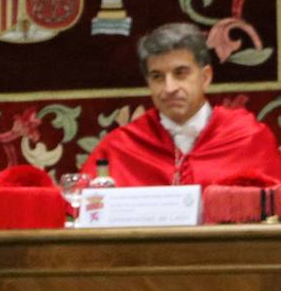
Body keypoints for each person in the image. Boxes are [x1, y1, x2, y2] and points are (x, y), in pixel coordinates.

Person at [82, 21, 281, 185]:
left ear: (205, 77)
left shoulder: (248, 138)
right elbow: (78, 214)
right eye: (157, 76)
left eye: (180, 73)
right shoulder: (121, 146)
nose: (169, 88)